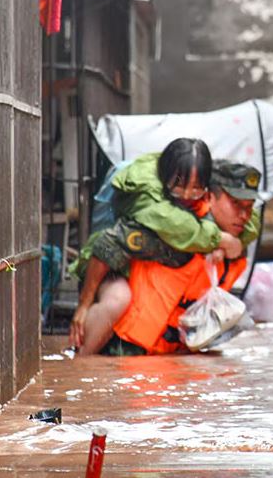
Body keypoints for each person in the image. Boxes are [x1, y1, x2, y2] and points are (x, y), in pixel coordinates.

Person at [69, 139, 258, 355]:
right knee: (117, 299)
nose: (187, 196)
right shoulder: (159, 215)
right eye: (179, 186)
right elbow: (105, 247)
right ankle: (80, 360)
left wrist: (222, 244)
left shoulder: (210, 221)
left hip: (157, 322)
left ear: (206, 189)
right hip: (107, 270)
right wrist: (83, 306)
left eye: (195, 189)